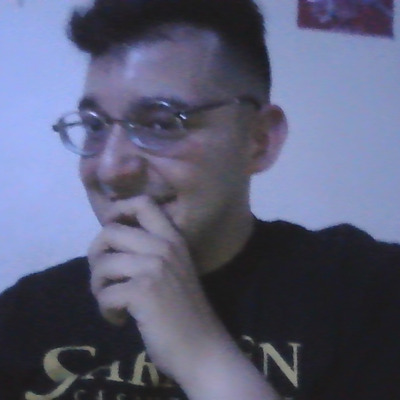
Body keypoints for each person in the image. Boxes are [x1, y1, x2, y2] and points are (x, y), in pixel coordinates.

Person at [0, 0, 399, 399]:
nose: (110, 168)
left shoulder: (366, 291)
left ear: (258, 139)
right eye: (94, 127)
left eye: (161, 123)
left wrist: (201, 355)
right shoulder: (25, 315)